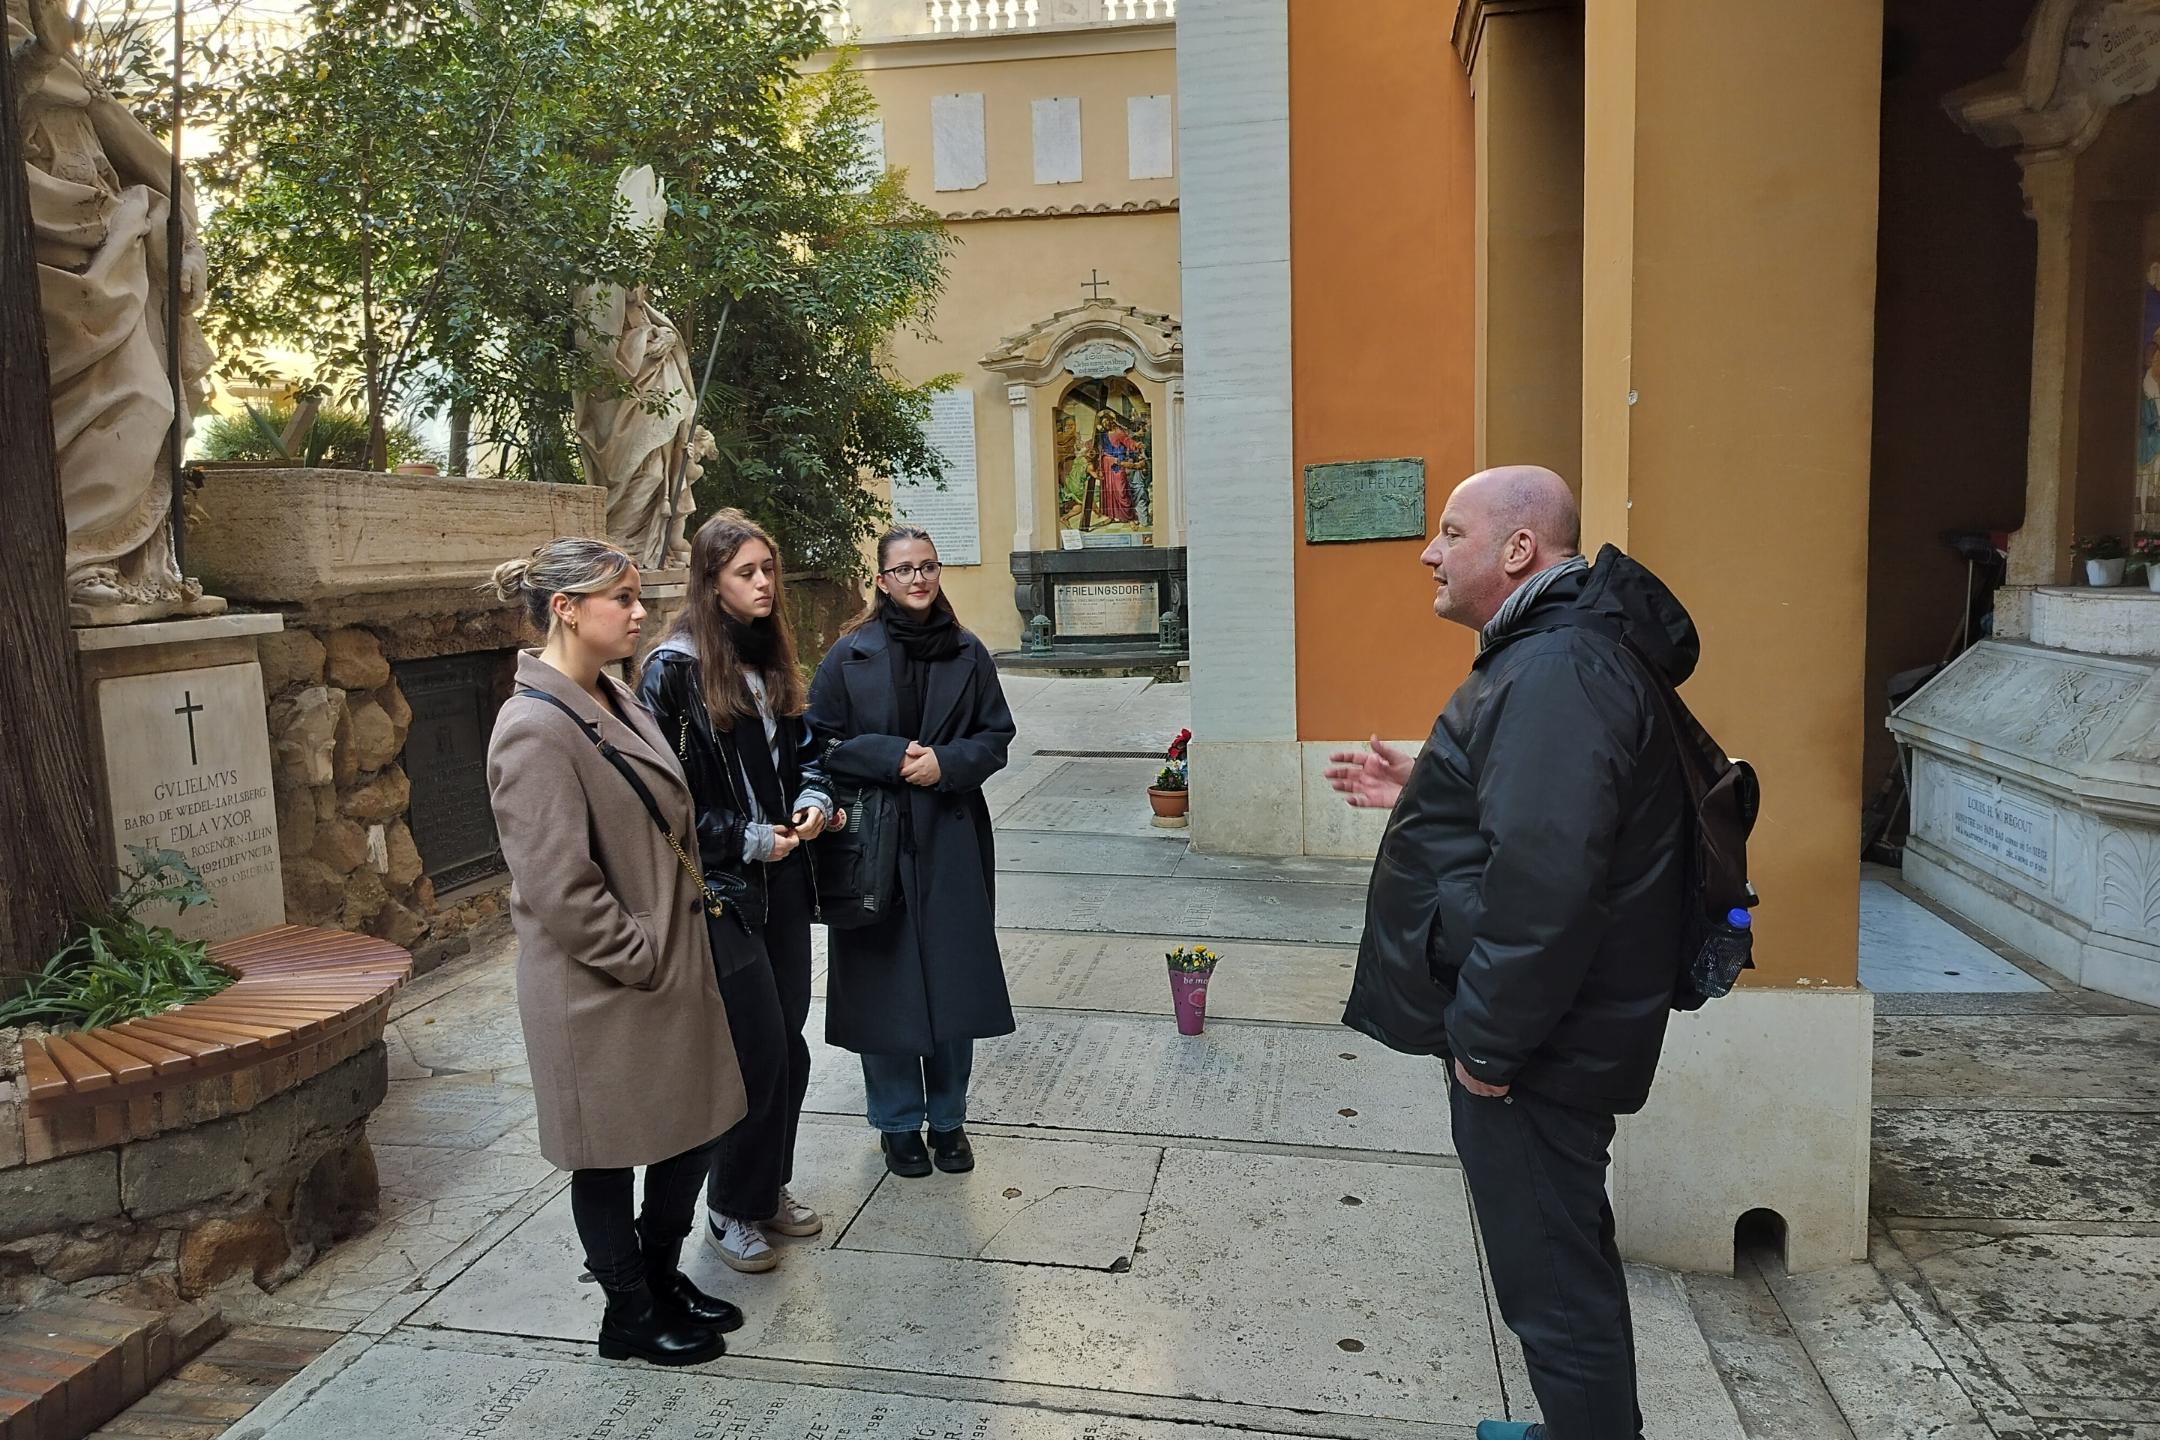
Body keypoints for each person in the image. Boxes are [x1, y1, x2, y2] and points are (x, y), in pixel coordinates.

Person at [1332, 467, 1693, 1440]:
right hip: (1556, 1036)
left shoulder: (1557, 669)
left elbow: (1548, 885)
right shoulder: (1556, 658)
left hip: (1536, 1049)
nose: (1429, 553)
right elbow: (1549, 811)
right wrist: (1438, 775)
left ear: (1519, 550)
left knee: (1554, 1284)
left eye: (1452, 532)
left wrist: (1487, 1049)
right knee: (1556, 1264)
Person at [485, 537, 748, 1368]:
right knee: (606, 1155)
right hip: (600, 983)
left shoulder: (610, 694)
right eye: (622, 599)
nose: (640, 613)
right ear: (565, 608)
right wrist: (639, 954)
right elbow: (558, 885)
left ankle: (660, 1276)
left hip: (664, 962)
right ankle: (627, 1310)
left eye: (638, 597)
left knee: (690, 1129)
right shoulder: (533, 727)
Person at [637, 510, 831, 1275]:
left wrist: (812, 797)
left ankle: (765, 1185)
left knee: (790, 1045)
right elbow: (664, 796)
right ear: (711, 582)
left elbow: (807, 743)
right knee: (755, 1049)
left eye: (768, 570)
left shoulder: (771, 655)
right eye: (746, 573)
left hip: (785, 877)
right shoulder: (674, 670)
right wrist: (744, 837)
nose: (763, 584)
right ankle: (728, 1207)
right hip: (721, 889)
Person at [806, 527, 1017, 1177]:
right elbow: (820, 742)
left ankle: (949, 1121)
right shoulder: (849, 657)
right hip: (874, 842)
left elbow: (997, 735)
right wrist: (896, 758)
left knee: (954, 985)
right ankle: (897, 1124)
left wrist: (947, 764)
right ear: (881, 581)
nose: (918, 579)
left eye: (927, 566)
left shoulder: (969, 652)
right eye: (904, 570)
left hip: (949, 837)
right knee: (885, 985)